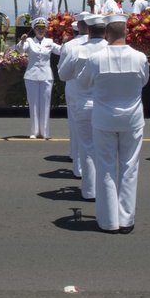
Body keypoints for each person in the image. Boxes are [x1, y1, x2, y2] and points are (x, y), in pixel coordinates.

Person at [78, 14, 149, 233]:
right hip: (132, 119)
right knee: (129, 168)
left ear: (107, 34)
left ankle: (109, 221)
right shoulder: (140, 57)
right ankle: (126, 220)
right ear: (126, 33)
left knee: (106, 169)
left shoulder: (96, 58)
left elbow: (82, 82)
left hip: (104, 119)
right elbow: (144, 81)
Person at [58, 14, 107, 201]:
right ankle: (106, 188)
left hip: (84, 102)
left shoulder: (77, 50)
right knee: (106, 149)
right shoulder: (110, 49)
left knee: (86, 148)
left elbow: (63, 75)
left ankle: (89, 191)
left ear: (85, 29)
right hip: (105, 104)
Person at [15, 17, 61, 139]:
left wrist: (67, 43)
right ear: (34, 29)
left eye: (43, 28)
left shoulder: (50, 42)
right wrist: (22, 41)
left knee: (45, 104)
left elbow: (60, 50)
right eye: (38, 28)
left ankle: (45, 131)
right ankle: (34, 131)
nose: (41, 30)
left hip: (46, 75)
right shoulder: (29, 41)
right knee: (33, 104)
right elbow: (19, 50)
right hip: (32, 75)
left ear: (46, 29)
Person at [58, 13, 90, 178]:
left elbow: (62, 71)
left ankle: (78, 166)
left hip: (74, 88)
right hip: (95, 92)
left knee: (76, 127)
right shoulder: (104, 45)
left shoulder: (70, 46)